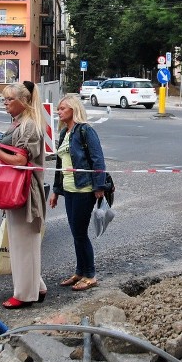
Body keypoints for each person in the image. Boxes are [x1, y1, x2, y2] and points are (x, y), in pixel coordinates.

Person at [0, 81, 47, 309]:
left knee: (23, 246)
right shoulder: (21, 122)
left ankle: (24, 295)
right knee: (23, 244)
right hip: (18, 191)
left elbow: (21, 161)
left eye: (9, 99)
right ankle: (36, 288)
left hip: (26, 193)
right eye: (4, 99)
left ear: (23, 101)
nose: (5, 104)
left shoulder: (29, 125)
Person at [48, 95, 107, 292]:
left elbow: (97, 159)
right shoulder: (65, 133)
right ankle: (80, 272)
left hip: (84, 189)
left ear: (73, 109)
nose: (59, 111)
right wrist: (56, 191)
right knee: (75, 232)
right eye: (58, 108)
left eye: (62, 108)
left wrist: (99, 186)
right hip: (69, 190)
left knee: (80, 233)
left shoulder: (85, 130)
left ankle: (90, 275)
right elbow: (60, 164)